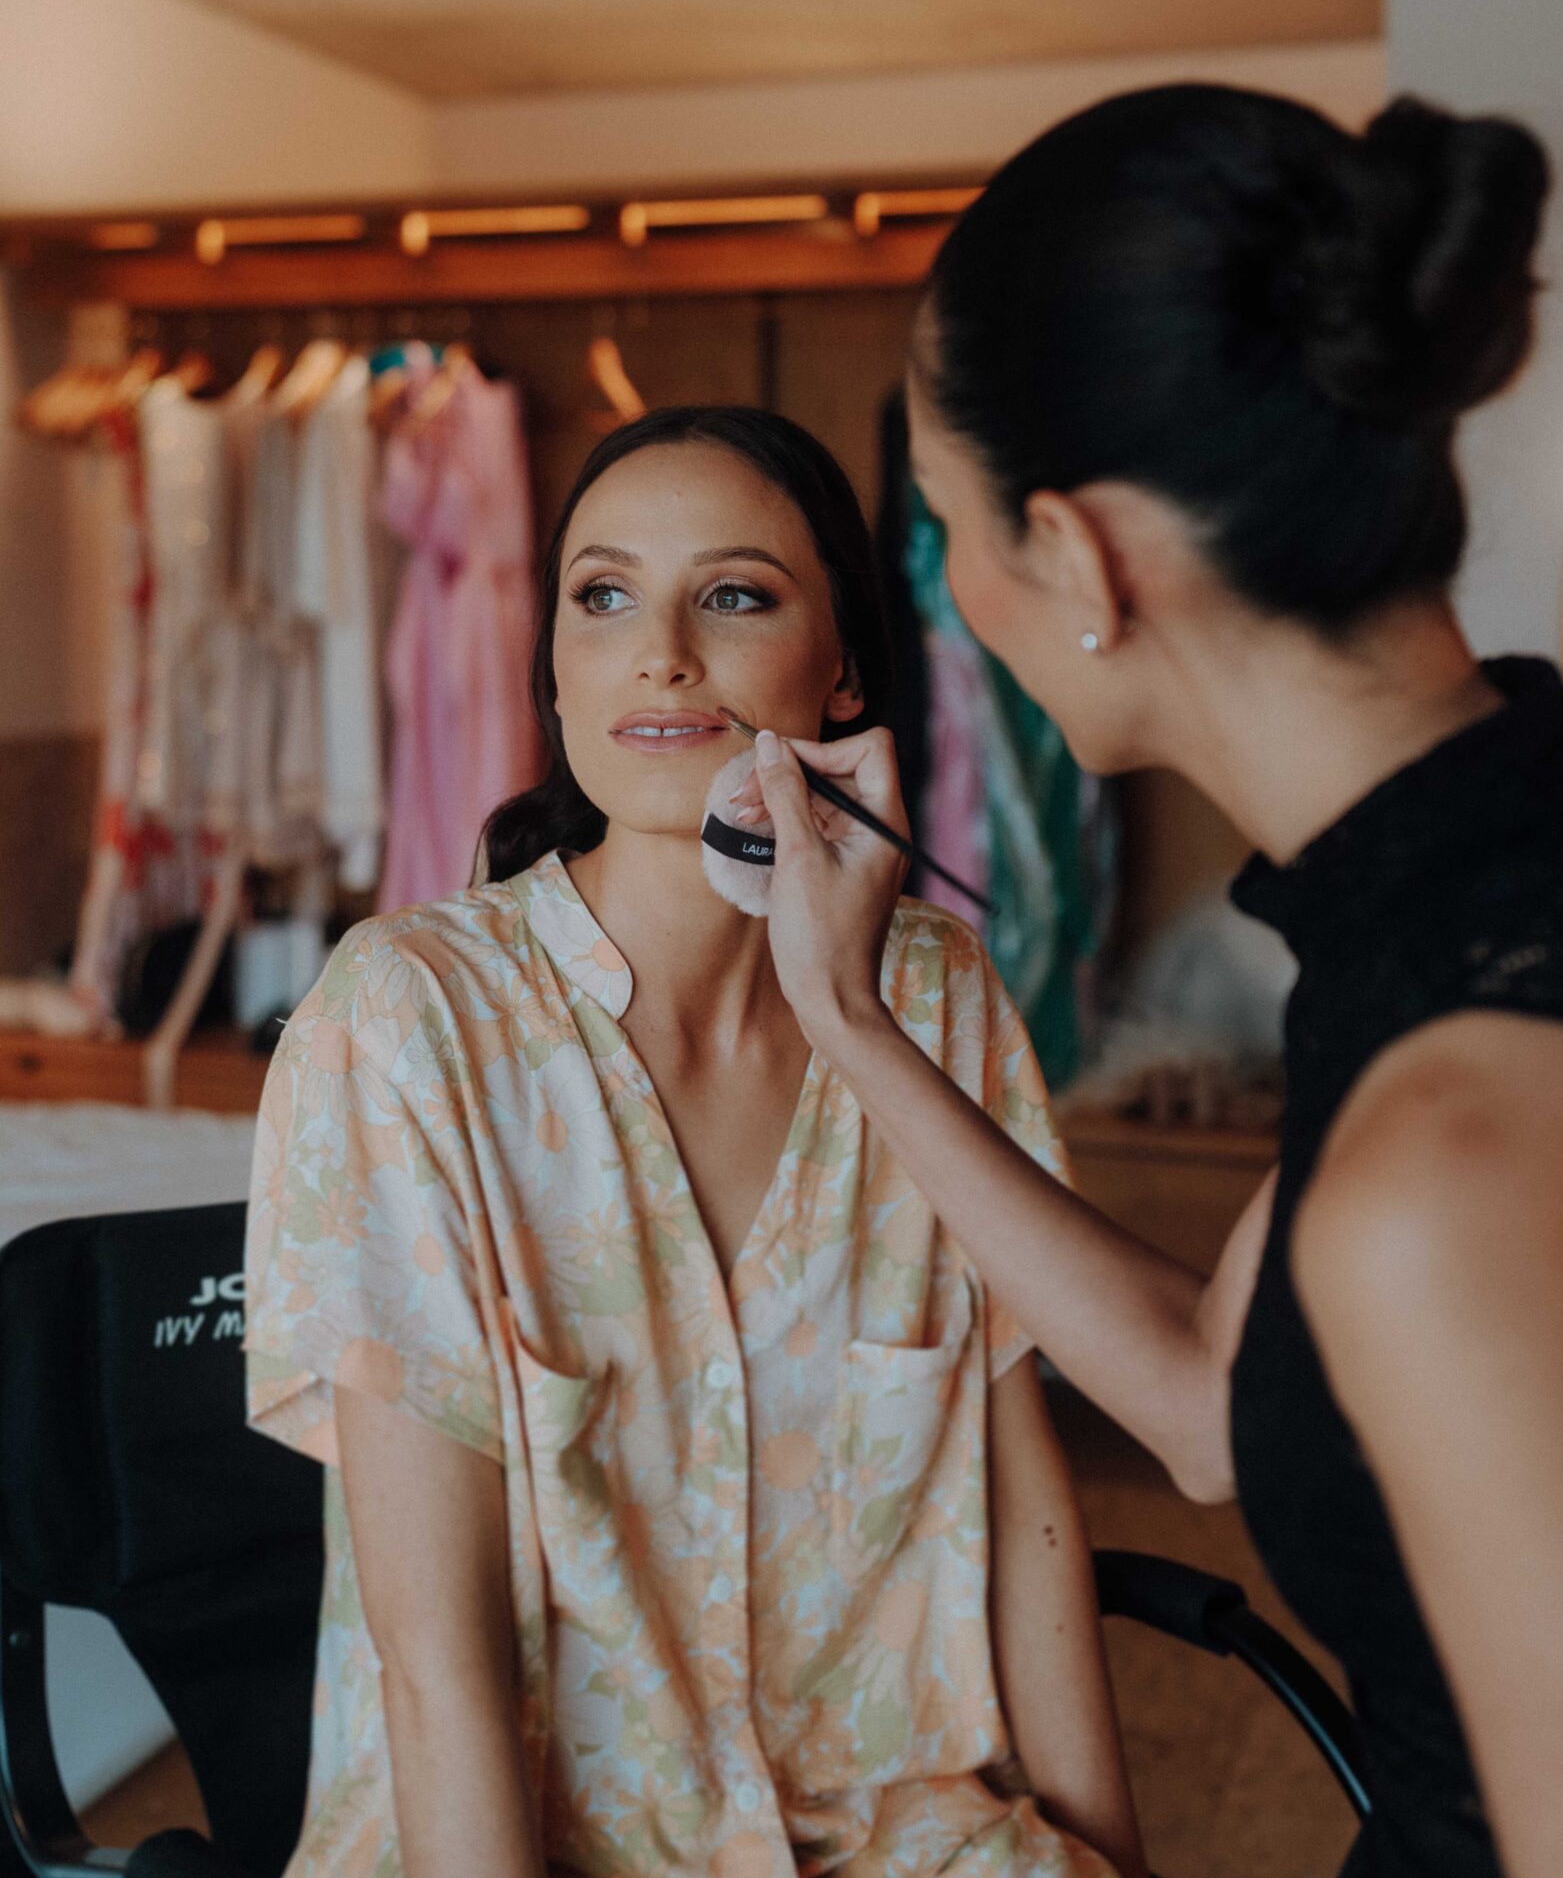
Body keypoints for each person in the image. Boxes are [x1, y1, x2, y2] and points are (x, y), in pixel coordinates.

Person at [734, 84, 1563, 1878]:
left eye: (948, 530)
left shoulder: (1451, 1127)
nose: (952, 594)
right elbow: (1220, 1402)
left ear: (1080, 557)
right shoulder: (1460, 908)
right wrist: (849, 1020)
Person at [244, 404, 1144, 1878]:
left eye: (734, 594)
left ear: (842, 659)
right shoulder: (405, 1021)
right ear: (552, 660)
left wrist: (1114, 1859)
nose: (660, 650)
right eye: (603, 597)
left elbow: (1023, 1487)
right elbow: (435, 1655)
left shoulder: (936, 996)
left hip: (899, 1836)